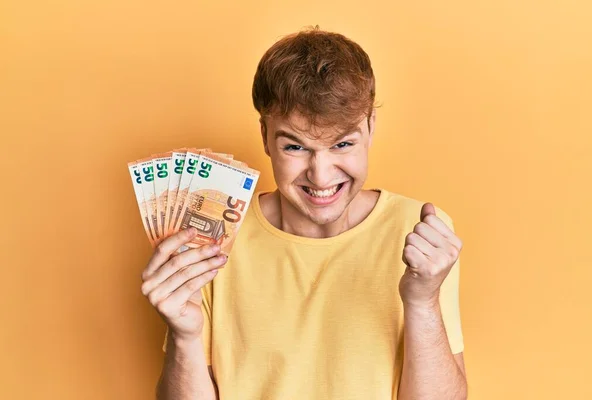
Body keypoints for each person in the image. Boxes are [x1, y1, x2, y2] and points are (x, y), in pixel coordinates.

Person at [142, 26, 468, 400]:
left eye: (342, 144)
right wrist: (184, 338)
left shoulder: (421, 233)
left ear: (371, 128)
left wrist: (423, 302)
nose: (321, 174)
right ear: (265, 136)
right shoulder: (213, 236)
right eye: (296, 147)